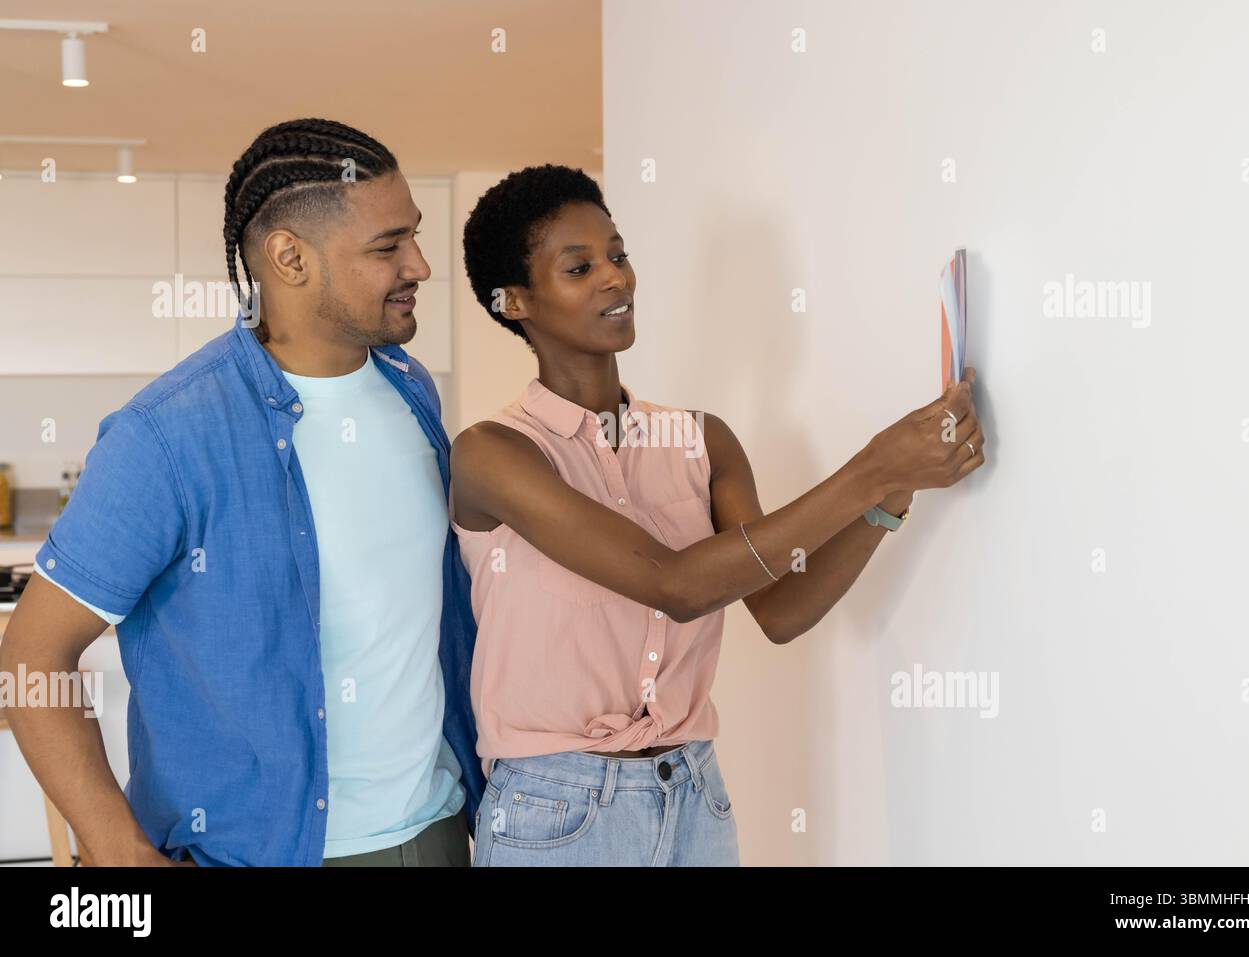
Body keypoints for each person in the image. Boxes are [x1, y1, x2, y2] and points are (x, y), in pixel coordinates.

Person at [452, 164, 985, 866]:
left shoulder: (703, 441)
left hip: (695, 795)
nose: (616, 278)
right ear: (515, 300)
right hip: (555, 811)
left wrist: (889, 494)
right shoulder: (491, 455)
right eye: (580, 267)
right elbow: (677, 584)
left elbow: (781, 606)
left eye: (618, 254)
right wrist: (873, 467)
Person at [0, 118, 483, 866]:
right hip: (258, 854)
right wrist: (117, 846)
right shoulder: (165, 437)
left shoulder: (411, 390)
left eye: (413, 235)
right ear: (290, 257)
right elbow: (30, 659)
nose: (419, 264)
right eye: (388, 246)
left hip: (438, 834)